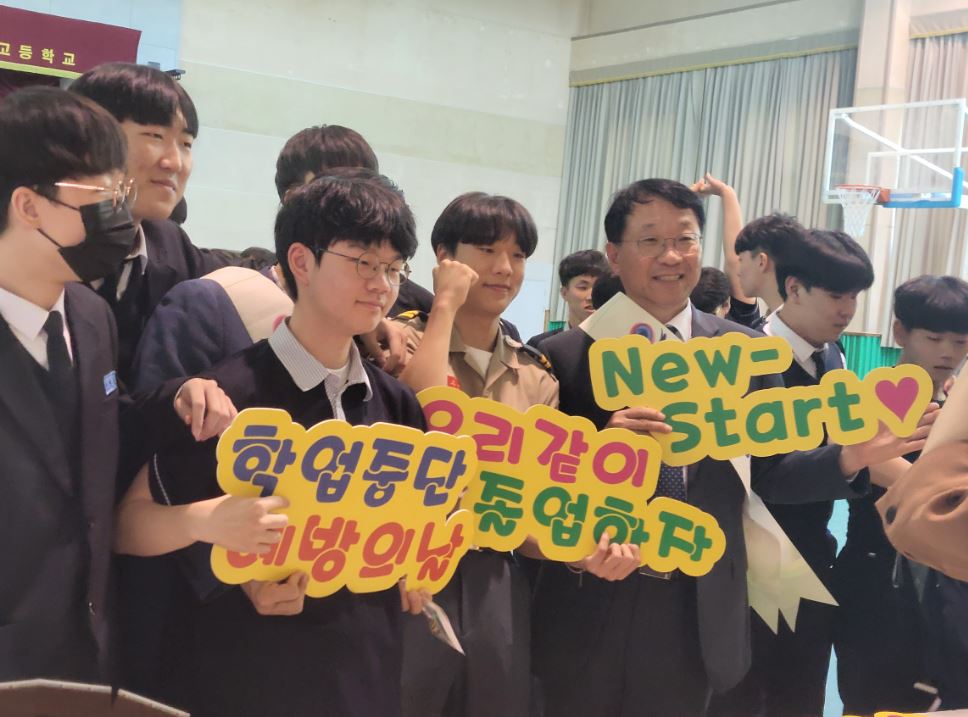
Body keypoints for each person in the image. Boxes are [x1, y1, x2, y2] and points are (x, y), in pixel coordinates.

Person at [530, 179, 929, 717]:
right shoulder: (563, 355)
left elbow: (769, 472)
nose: (672, 256)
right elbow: (536, 482)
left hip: (701, 595)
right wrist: (598, 451)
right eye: (650, 241)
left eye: (686, 239)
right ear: (615, 256)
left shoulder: (745, 352)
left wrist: (849, 457)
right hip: (592, 593)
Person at [114, 171, 430, 717]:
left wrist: (413, 573)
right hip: (249, 676)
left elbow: (414, 527)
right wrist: (206, 521)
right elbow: (127, 526)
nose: (382, 284)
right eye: (363, 262)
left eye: (393, 267)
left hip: (367, 675)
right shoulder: (230, 395)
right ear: (301, 261)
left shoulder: (397, 405)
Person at [0, 87, 231, 685]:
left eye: (120, 194)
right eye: (102, 196)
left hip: (85, 647)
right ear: (28, 205)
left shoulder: (89, 315)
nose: (119, 215)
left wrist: (174, 397)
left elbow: (100, 425)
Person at [396, 192, 638, 717]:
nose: (504, 268)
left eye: (518, 255)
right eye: (487, 251)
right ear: (445, 256)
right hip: (404, 564)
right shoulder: (401, 341)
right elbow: (420, 415)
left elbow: (536, 505)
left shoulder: (534, 374)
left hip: (495, 574)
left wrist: (579, 551)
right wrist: (445, 305)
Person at [68, 63, 274, 383]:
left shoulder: (165, 241)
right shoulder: (39, 250)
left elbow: (237, 271)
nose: (175, 162)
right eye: (155, 136)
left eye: (186, 144)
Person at [846, 276, 968, 712]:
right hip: (879, 581)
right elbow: (877, 466)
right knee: (875, 699)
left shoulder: (952, 404)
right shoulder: (869, 398)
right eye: (933, 338)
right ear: (900, 332)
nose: (948, 352)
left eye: (960, 341)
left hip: (942, 585)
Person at [725, 210, 803, 330]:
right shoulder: (810, 324)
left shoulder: (785, 331)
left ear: (761, 261)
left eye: (741, 260)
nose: (738, 272)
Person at [527, 248, 609, 347]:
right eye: (583, 287)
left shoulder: (619, 344)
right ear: (564, 293)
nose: (591, 296)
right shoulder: (540, 345)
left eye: (599, 287)